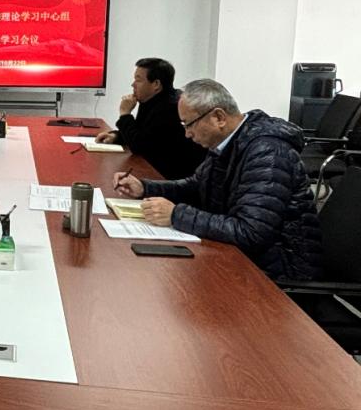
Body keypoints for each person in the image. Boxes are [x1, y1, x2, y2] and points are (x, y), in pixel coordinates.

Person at [113, 79, 322, 281]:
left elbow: (250, 232)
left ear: (219, 117)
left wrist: (176, 215)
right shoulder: (229, 142)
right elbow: (196, 186)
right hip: (243, 256)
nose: (187, 134)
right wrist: (145, 188)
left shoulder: (267, 152)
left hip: (281, 270)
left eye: (189, 124)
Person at [96, 58, 207, 180]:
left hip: (173, 178)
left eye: (138, 80)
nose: (133, 84)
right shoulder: (152, 100)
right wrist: (117, 136)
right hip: (157, 170)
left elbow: (139, 146)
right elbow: (143, 133)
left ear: (156, 84)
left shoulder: (170, 107)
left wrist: (125, 114)